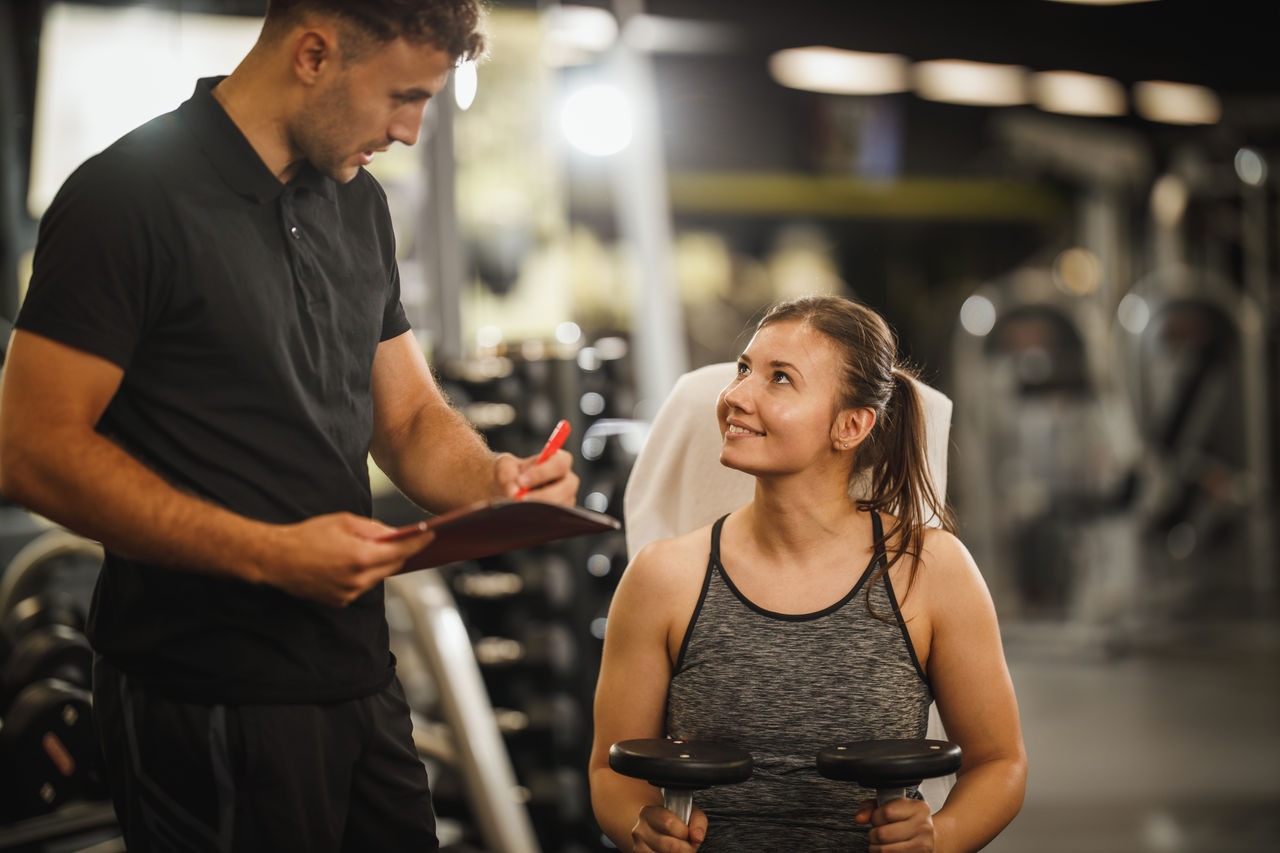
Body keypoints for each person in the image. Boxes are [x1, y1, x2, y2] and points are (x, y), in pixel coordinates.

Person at [0, 1, 578, 850]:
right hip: (202, 691)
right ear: (313, 53)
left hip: (355, 677)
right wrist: (268, 554)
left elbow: (411, 415)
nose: (412, 131)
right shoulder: (126, 197)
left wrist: (495, 479)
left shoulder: (359, 205)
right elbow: (29, 451)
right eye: (401, 97)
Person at [589, 295, 1026, 852]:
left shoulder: (931, 571)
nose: (736, 396)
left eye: (779, 379)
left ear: (850, 425)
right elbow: (610, 773)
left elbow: (1000, 762)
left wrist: (938, 838)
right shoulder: (663, 577)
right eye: (744, 369)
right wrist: (639, 826)